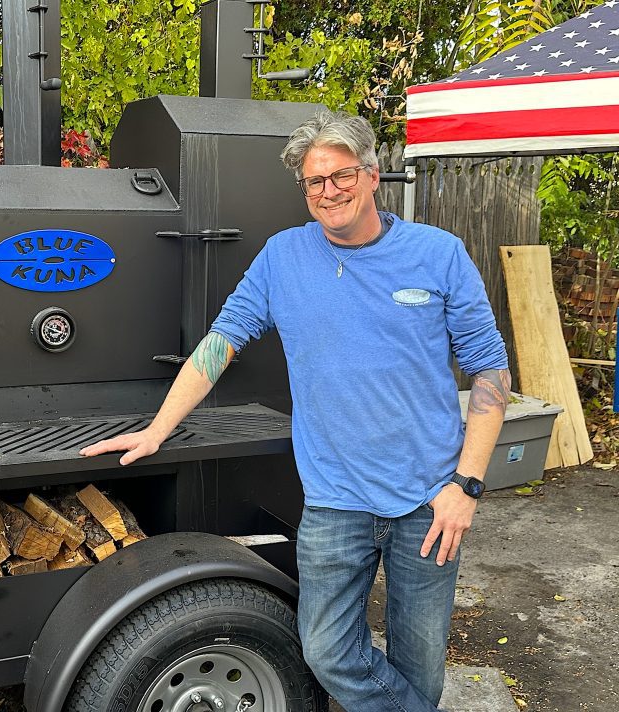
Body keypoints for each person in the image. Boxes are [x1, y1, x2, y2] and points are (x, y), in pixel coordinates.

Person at [79, 109, 512, 712]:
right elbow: (221, 342)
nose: (328, 191)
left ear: (373, 175)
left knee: (420, 665)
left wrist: (466, 484)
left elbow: (491, 372)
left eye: (341, 175)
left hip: (430, 499)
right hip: (336, 499)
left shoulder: (438, 254)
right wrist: (157, 429)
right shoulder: (284, 257)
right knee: (327, 649)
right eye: (314, 181)